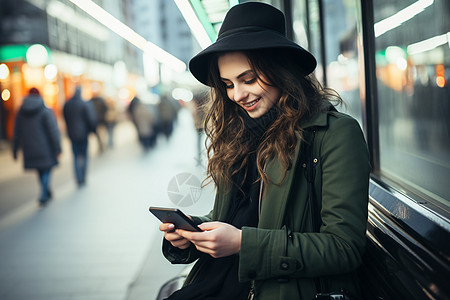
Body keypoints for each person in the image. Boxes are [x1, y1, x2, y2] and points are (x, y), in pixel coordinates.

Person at [158, 2, 371, 300]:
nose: (237, 95)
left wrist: (244, 244)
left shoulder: (334, 134)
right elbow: (240, 217)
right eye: (228, 84)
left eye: (248, 79)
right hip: (220, 283)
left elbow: (343, 248)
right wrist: (193, 234)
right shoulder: (238, 134)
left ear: (281, 70)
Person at [13, 87, 61, 206]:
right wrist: (57, 147)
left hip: (29, 147)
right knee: (46, 169)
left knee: (40, 170)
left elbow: (16, 131)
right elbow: (53, 130)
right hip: (45, 147)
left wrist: (15, 149)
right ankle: (44, 193)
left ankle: (46, 190)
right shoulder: (45, 110)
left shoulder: (21, 112)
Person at [63, 86, 97, 187]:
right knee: (84, 155)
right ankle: (83, 176)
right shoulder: (84, 104)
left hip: (72, 134)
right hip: (83, 134)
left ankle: (78, 177)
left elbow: (65, 118)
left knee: (76, 156)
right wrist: (93, 131)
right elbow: (91, 118)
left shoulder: (67, 104)